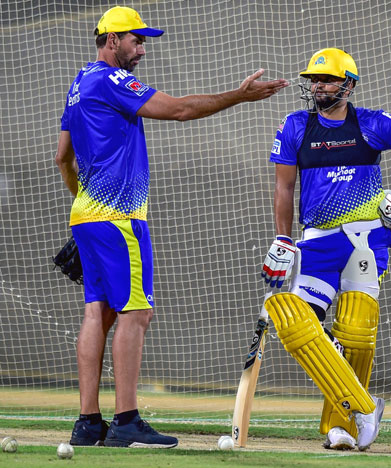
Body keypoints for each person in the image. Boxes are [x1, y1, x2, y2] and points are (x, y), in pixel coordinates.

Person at [54, 6, 288, 448]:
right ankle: (125, 421)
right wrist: (238, 96)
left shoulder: (79, 84)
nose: (141, 49)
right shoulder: (112, 79)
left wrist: (84, 207)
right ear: (111, 40)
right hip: (119, 218)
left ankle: (88, 423)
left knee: (97, 313)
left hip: (88, 215)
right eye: (135, 40)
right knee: (136, 312)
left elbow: (62, 157)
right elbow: (179, 111)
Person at [260, 48, 391, 451]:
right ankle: (364, 406)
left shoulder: (374, 124)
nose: (317, 86)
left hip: (366, 238)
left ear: (349, 84)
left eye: (326, 79)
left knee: (358, 332)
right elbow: (284, 188)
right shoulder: (294, 126)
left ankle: (338, 427)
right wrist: (283, 239)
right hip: (317, 242)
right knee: (292, 321)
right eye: (314, 80)